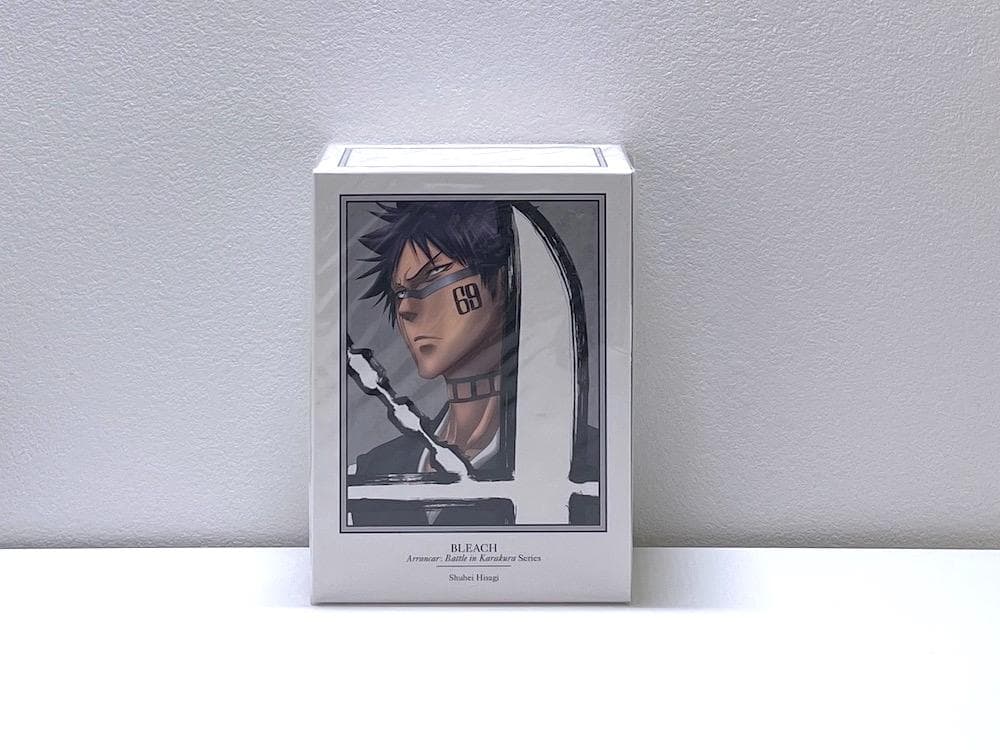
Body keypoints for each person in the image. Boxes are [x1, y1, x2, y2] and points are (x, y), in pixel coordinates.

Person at [349, 200, 599, 526]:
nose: (406, 308)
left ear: (508, 276)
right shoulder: (372, 469)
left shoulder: (595, 466)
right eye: (399, 293)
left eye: (433, 274)